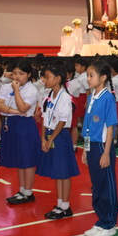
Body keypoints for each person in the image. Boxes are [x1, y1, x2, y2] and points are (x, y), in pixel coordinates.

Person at [81, 60, 118, 236]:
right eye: (87, 75)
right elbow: (87, 124)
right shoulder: (91, 97)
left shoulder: (108, 97)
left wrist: (106, 153)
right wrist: (85, 149)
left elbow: (110, 126)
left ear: (103, 77)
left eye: (91, 75)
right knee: (96, 185)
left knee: (106, 185)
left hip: (103, 145)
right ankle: (101, 219)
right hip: (92, 145)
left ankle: (110, 223)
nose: (88, 79)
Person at [35, 64, 79, 219]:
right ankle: (59, 204)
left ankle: (65, 206)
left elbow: (62, 121)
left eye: (47, 77)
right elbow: (44, 118)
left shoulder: (65, 97)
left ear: (58, 78)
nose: (44, 80)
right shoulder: (49, 95)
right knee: (57, 172)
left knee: (63, 172)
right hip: (50, 135)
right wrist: (43, 138)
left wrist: (51, 139)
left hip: (59, 136)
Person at [0, 61, 41, 201]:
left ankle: (28, 192)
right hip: (10, 123)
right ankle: (22, 190)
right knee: (19, 159)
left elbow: (23, 108)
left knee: (27, 159)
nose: (17, 77)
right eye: (14, 73)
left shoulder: (31, 90)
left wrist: (16, 91)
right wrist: (12, 111)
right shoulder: (5, 87)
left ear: (28, 74)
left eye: (21, 74)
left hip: (24, 125)